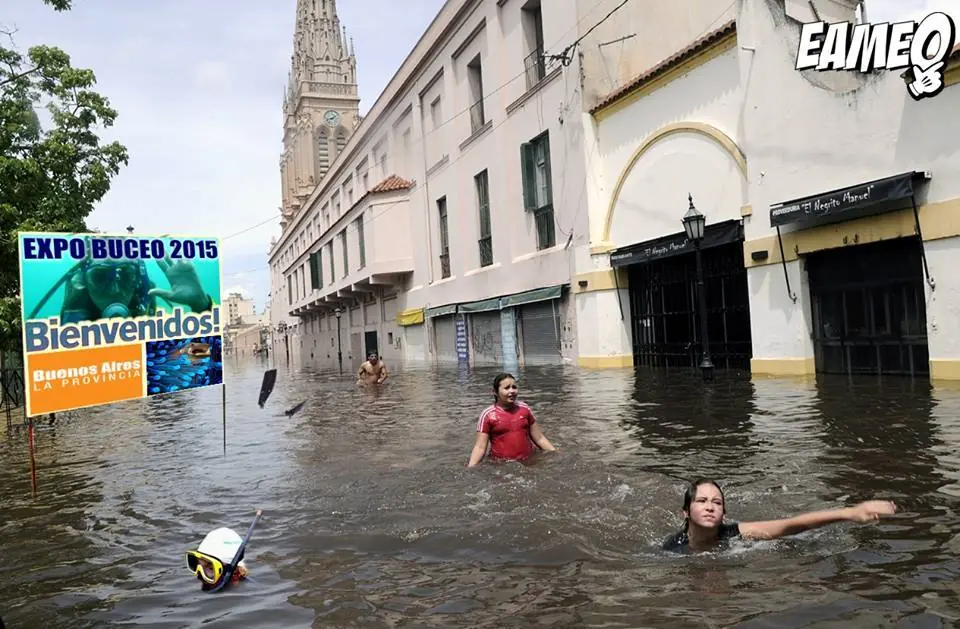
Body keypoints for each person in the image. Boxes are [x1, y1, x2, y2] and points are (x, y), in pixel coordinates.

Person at [662, 478, 898, 553]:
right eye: (701, 501)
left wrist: (851, 513)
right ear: (686, 511)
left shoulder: (734, 535)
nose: (710, 507)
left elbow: (791, 525)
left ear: (724, 514)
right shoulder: (673, 547)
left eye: (717, 502)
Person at [467, 373, 557, 467]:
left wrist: (555, 453)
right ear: (495, 392)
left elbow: (539, 438)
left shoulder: (524, 409)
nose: (512, 391)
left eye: (514, 387)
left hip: (529, 460)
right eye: (507, 388)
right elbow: (480, 447)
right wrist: (471, 467)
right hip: (501, 465)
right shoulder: (488, 415)